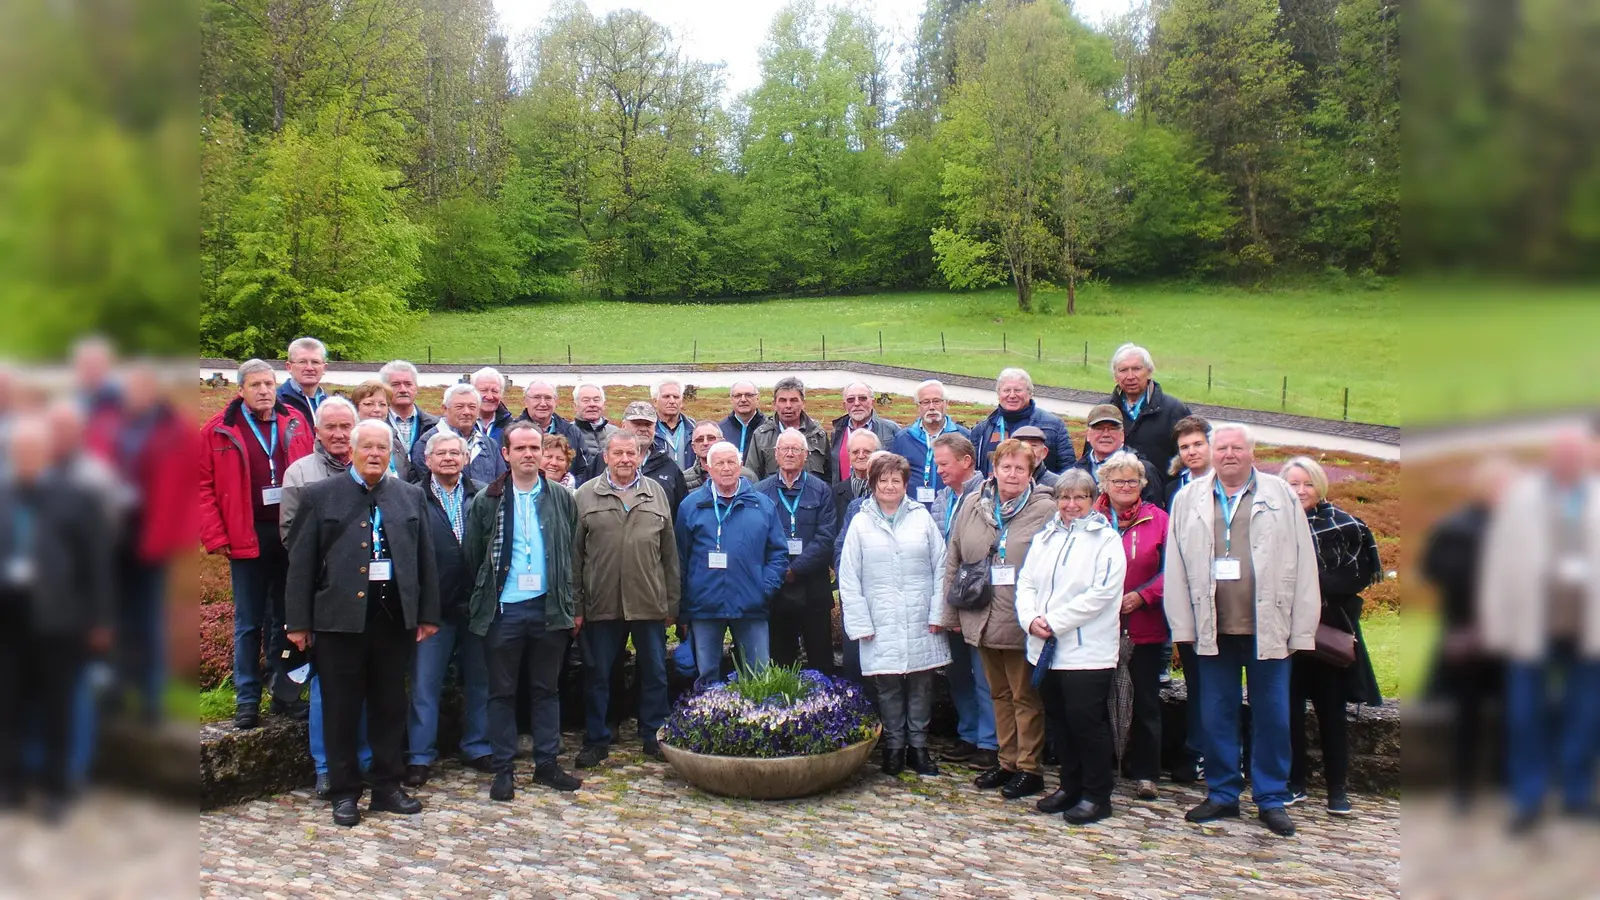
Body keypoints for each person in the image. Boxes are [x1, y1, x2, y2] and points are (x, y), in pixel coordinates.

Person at [1164, 423, 1319, 838]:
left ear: (1252, 452)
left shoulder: (1279, 494)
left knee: (1272, 714)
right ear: (1212, 453)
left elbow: (1304, 561)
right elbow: (1175, 565)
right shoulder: (1188, 497)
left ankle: (1270, 796)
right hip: (1211, 624)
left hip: (1270, 625)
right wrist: (1181, 625)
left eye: (1237, 447)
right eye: (1222, 447)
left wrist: (1303, 627)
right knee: (1216, 713)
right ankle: (1222, 793)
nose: (1229, 454)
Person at [284, 420, 441, 828]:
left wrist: (426, 613)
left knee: (390, 706)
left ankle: (387, 786)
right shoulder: (320, 495)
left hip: (393, 621)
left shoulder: (409, 496)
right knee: (340, 709)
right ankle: (344, 792)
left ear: (392, 453)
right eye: (367, 446)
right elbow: (300, 563)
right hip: (339, 622)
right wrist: (298, 622)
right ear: (351, 451)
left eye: (382, 447)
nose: (375, 453)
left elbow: (425, 558)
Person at [1478, 428, 1600, 833]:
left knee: (1586, 714)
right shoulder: (1523, 497)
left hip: (1588, 625)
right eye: (1563, 454)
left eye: (1577, 455)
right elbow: (1498, 562)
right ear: (1552, 457)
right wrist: (1496, 626)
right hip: (1532, 624)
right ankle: (1528, 800)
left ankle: (1576, 795)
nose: (1570, 462)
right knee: (1525, 715)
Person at [461, 422, 584, 799]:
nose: (529, 454)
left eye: (535, 447)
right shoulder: (488, 499)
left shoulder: (561, 498)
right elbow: (473, 555)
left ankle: (546, 763)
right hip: (504, 611)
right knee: (502, 692)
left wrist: (571, 605)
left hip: (548, 608)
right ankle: (503, 769)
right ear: (506, 454)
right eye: (521, 448)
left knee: (546, 689)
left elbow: (572, 551)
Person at [0, 417, 113, 821]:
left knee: (56, 707)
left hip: (59, 618)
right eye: (20, 451)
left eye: (34, 451)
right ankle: (11, 783)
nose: (26, 457)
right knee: (8, 704)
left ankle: (55, 790)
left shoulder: (75, 497)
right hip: (8, 616)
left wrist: (100, 619)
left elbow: (97, 562)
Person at [940, 438, 1058, 800]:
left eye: (1020, 468)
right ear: (994, 469)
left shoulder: (1045, 509)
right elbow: (954, 558)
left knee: (1025, 696)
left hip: (1021, 618)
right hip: (981, 615)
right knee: (998, 693)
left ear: (1030, 471)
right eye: (1006, 467)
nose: (1012, 474)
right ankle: (1006, 761)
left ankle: (1029, 767)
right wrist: (950, 613)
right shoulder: (974, 504)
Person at [199, 358, 314, 729]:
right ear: (241, 390)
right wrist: (216, 536)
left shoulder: (294, 421)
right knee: (248, 622)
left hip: (290, 533)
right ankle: (246, 698)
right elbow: (201, 488)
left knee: (285, 617)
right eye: (256, 385)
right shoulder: (219, 430)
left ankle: (283, 692)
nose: (264, 391)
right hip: (246, 534)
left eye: (269, 383)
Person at [1015, 468, 1126, 824]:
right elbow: (1026, 582)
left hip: (1086, 650)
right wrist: (1030, 619)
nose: (1071, 504)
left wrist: (1056, 622)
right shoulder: (1046, 537)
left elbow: (1103, 594)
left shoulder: (1106, 540)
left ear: (1093, 501)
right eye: (1065, 497)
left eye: (1080, 497)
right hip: (1045, 648)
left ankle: (1097, 794)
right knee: (1060, 722)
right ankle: (1069, 785)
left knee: (1086, 724)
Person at [86, 362, 194, 725]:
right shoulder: (106, 423)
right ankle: (115, 689)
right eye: (131, 389)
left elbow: (184, 487)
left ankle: (150, 697)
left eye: (144, 388)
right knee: (112, 616)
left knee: (148, 617)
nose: (137, 396)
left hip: (151, 532)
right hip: (110, 532)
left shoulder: (174, 429)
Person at [277, 397, 372, 796]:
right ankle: (325, 767)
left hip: (371, 599)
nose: (338, 434)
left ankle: (364, 761)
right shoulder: (302, 474)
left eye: (345, 427)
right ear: (316, 431)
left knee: (368, 683)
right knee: (326, 688)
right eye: (330, 427)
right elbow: (291, 539)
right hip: (328, 598)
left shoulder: (373, 470)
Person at [1280, 456, 1383, 816]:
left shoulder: (1345, 525)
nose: (1301, 491)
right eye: (1293, 483)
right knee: (1287, 712)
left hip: (1328, 634)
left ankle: (1337, 789)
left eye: (1307, 483)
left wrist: (1306, 585)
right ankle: (1295, 783)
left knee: (1331, 713)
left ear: (1320, 486)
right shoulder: (1274, 523)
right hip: (1285, 634)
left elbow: (1355, 578)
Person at [573, 431, 681, 768]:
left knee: (655, 672)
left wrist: (672, 603)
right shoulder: (585, 495)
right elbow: (575, 557)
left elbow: (670, 555)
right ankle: (597, 738)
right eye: (617, 453)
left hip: (647, 601)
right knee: (598, 674)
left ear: (640, 457)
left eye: (630, 453)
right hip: (600, 602)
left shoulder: (656, 493)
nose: (624, 459)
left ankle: (653, 734)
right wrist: (576, 606)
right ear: (606, 456)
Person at [840, 453, 948, 778]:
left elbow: (941, 566)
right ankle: (894, 746)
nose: (889, 486)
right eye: (883, 480)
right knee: (887, 686)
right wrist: (860, 622)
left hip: (919, 618)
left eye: (896, 480)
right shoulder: (860, 522)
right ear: (873, 483)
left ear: (905, 483)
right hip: (880, 617)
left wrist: (938, 612)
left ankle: (918, 746)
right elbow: (849, 576)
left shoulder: (922, 518)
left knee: (921, 685)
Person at [1422, 456, 1514, 809]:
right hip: (1469, 636)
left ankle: (1504, 780)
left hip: (1510, 635)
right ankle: (1463, 786)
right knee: (1467, 714)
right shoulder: (1458, 526)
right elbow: (1438, 571)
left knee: (1512, 711)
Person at [405, 430, 494, 789]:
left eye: (455, 453)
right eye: (440, 453)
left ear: (466, 458)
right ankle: (419, 756)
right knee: (425, 684)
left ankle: (477, 745)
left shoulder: (485, 493)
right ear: (427, 460)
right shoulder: (413, 497)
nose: (448, 458)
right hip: (433, 607)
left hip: (475, 603)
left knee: (481, 680)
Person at [1092, 451, 1172, 802]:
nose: (1125, 487)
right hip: (1096, 625)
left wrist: (1144, 595)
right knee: (1096, 697)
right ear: (1104, 485)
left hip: (1144, 622)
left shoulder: (1160, 520)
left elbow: (1175, 568)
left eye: (1131, 481)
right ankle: (1102, 763)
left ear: (1142, 484)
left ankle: (1145, 773)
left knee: (1145, 701)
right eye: (1116, 481)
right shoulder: (1090, 519)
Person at [675, 441, 788, 683]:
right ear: (707, 467)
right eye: (719, 463)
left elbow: (778, 553)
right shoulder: (690, 506)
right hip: (704, 605)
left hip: (751, 603)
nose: (726, 468)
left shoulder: (762, 505)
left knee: (758, 675)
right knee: (706, 675)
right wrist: (684, 605)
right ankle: (709, 720)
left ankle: (756, 720)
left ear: (740, 465)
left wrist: (764, 588)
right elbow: (680, 558)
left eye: (731, 462)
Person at [929, 433, 998, 769]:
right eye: (937, 463)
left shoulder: (988, 496)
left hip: (978, 596)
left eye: (944, 463)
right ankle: (968, 734)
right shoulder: (943, 497)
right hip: (949, 596)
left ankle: (990, 740)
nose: (939, 470)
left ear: (966, 461)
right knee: (958, 672)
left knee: (983, 673)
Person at [755, 429, 839, 675]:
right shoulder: (760, 491)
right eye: (785, 449)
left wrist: (796, 568)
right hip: (775, 587)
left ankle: (823, 709)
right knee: (780, 659)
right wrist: (780, 570)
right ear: (776, 454)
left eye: (796, 449)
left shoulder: (821, 490)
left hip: (813, 585)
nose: (790, 454)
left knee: (821, 657)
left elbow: (826, 537)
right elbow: (757, 538)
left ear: (806, 455)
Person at [1099, 344, 1192, 488]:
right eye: (1123, 370)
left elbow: (1188, 458)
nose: (1130, 376)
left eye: (1136, 369)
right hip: (1114, 495)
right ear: (1115, 376)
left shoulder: (1174, 410)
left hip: (1159, 499)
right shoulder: (1104, 410)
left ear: (1149, 372)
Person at [969, 368, 1074, 476]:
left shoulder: (1053, 426)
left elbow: (1068, 471)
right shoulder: (981, 430)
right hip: (991, 492)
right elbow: (972, 472)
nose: (1012, 395)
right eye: (1006, 390)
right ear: (998, 394)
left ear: (1030, 393)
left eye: (1018, 390)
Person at [889, 379, 970, 504]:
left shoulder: (963, 436)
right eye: (925, 402)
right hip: (913, 512)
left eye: (937, 401)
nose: (931, 407)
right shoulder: (903, 438)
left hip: (953, 508)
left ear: (946, 403)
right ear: (918, 406)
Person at [410, 384, 506, 488]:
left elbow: (501, 484)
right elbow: (428, 487)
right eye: (459, 407)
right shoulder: (427, 443)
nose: (466, 412)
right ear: (445, 409)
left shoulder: (489, 444)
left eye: (472, 407)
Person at [1076, 405, 1164, 508]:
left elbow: (1154, 516)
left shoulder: (1144, 470)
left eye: (1112, 429)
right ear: (1088, 435)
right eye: (1099, 429)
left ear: (1122, 435)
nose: (1105, 434)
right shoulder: (1077, 470)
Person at [749, 377, 828, 480]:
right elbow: (751, 476)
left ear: (803, 403)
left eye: (794, 400)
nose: (788, 406)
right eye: (783, 401)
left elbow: (830, 477)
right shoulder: (761, 436)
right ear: (774, 404)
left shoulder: (817, 434)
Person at [621, 402, 690, 518]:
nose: (643, 429)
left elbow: (680, 514)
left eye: (648, 424)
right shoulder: (604, 461)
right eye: (637, 424)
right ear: (623, 426)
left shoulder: (668, 466)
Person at [829, 381, 902, 483]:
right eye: (851, 400)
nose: (857, 403)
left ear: (872, 402)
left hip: (879, 495)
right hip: (844, 495)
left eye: (863, 398)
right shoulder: (837, 431)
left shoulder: (891, 430)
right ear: (844, 405)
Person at [517, 381, 585, 474]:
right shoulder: (513, 432)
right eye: (537, 397)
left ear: (556, 401)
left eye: (548, 398)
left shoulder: (572, 432)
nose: (543, 403)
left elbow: (583, 471)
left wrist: (567, 486)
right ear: (525, 401)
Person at [349, 381, 410, 481]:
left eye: (382, 404)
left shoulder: (395, 440)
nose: (377, 409)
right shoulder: (350, 440)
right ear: (356, 407)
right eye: (369, 404)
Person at [380, 360, 437, 463]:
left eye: (408, 384)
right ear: (384, 389)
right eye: (395, 384)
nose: (403, 390)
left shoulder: (434, 425)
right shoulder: (377, 425)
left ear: (416, 388)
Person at [684, 420, 757, 491]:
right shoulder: (684, 479)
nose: (705, 443)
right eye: (700, 439)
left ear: (722, 441)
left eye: (711, 438)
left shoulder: (747, 476)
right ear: (694, 447)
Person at [831, 429, 882, 528]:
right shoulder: (836, 492)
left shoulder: (885, 489)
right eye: (855, 452)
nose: (861, 456)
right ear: (849, 455)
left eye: (867, 452)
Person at [277, 336, 329, 424]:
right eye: (302, 362)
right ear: (289, 367)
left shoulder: (329, 403)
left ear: (324, 368)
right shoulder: (277, 402)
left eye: (315, 362)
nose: (309, 368)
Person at [1165, 415, 1213, 509]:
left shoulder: (1226, 482)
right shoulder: (1173, 489)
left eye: (1198, 444)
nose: (1191, 452)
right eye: (1185, 447)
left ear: (1211, 444)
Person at [652, 379, 698, 471]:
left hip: (690, 484)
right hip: (659, 484)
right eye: (666, 396)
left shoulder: (695, 429)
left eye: (676, 397)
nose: (672, 401)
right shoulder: (648, 431)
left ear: (681, 402)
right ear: (655, 402)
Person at [571, 382, 617, 471]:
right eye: (586, 400)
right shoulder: (567, 433)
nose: (592, 404)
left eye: (596, 400)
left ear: (603, 404)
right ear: (575, 406)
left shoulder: (615, 433)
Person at [718, 381, 766, 460]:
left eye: (748, 395)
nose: (743, 399)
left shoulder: (769, 428)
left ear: (757, 398)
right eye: (738, 396)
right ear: (731, 400)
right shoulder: (720, 430)